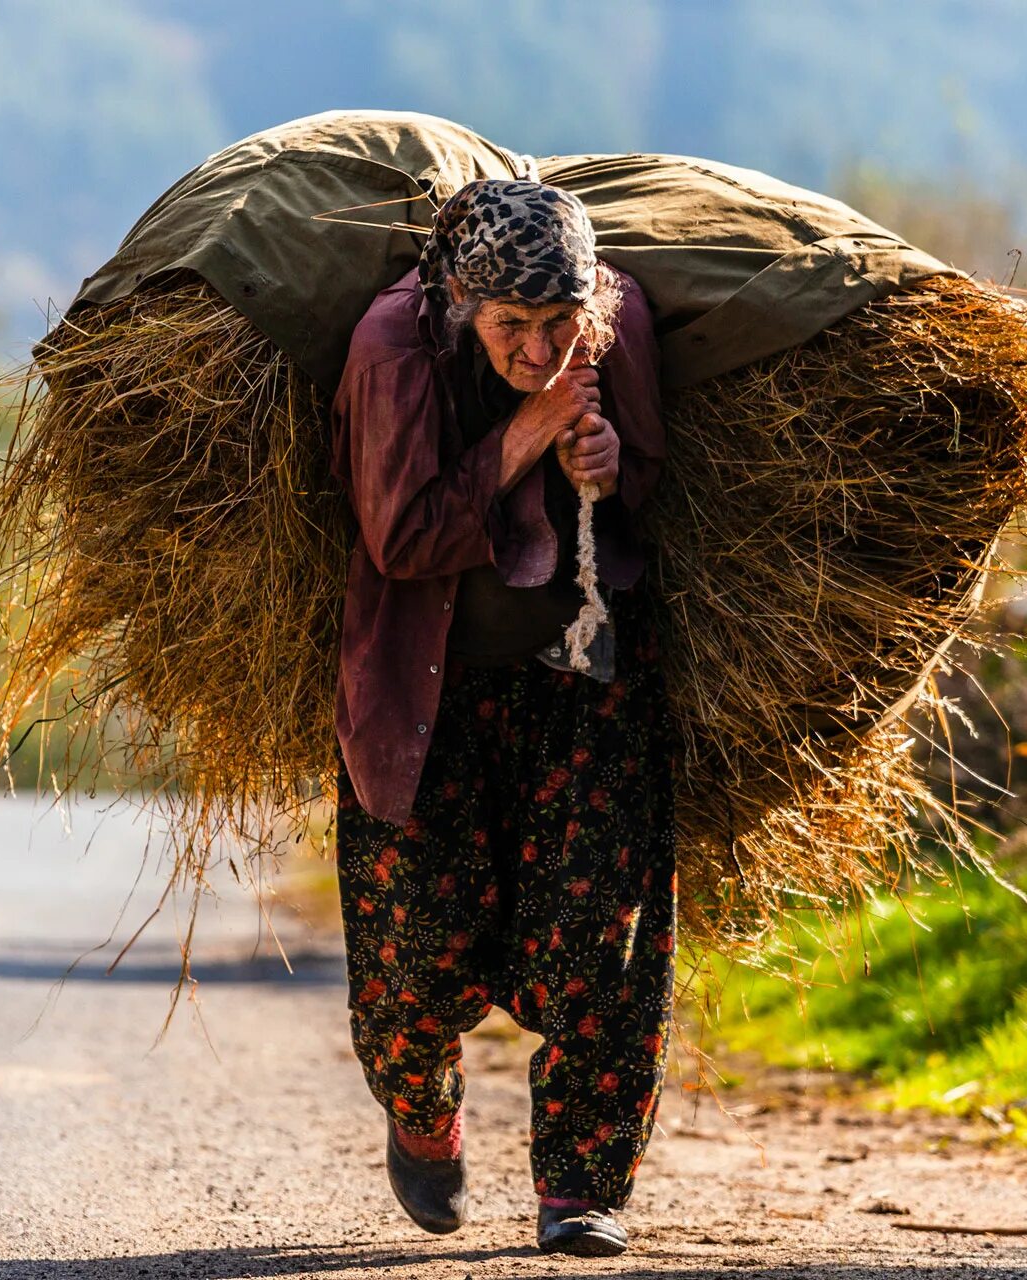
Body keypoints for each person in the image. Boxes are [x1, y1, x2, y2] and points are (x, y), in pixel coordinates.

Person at [329, 177, 676, 1259]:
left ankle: (581, 1184)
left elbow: (668, 489)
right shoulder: (396, 348)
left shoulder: (613, 322)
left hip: (585, 673)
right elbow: (402, 535)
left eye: (558, 324)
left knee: (601, 937)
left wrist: (618, 468)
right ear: (457, 303)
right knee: (414, 942)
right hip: (429, 682)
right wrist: (524, 435)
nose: (538, 346)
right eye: (511, 326)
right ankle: (422, 1113)